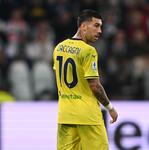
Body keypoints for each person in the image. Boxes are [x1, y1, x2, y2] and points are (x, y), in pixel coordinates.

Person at [53, 9, 118, 150]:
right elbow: (95, 86)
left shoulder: (59, 48)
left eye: (100, 26)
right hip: (88, 116)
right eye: (96, 25)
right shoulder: (88, 51)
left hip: (65, 115)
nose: (100, 30)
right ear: (83, 26)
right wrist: (109, 108)